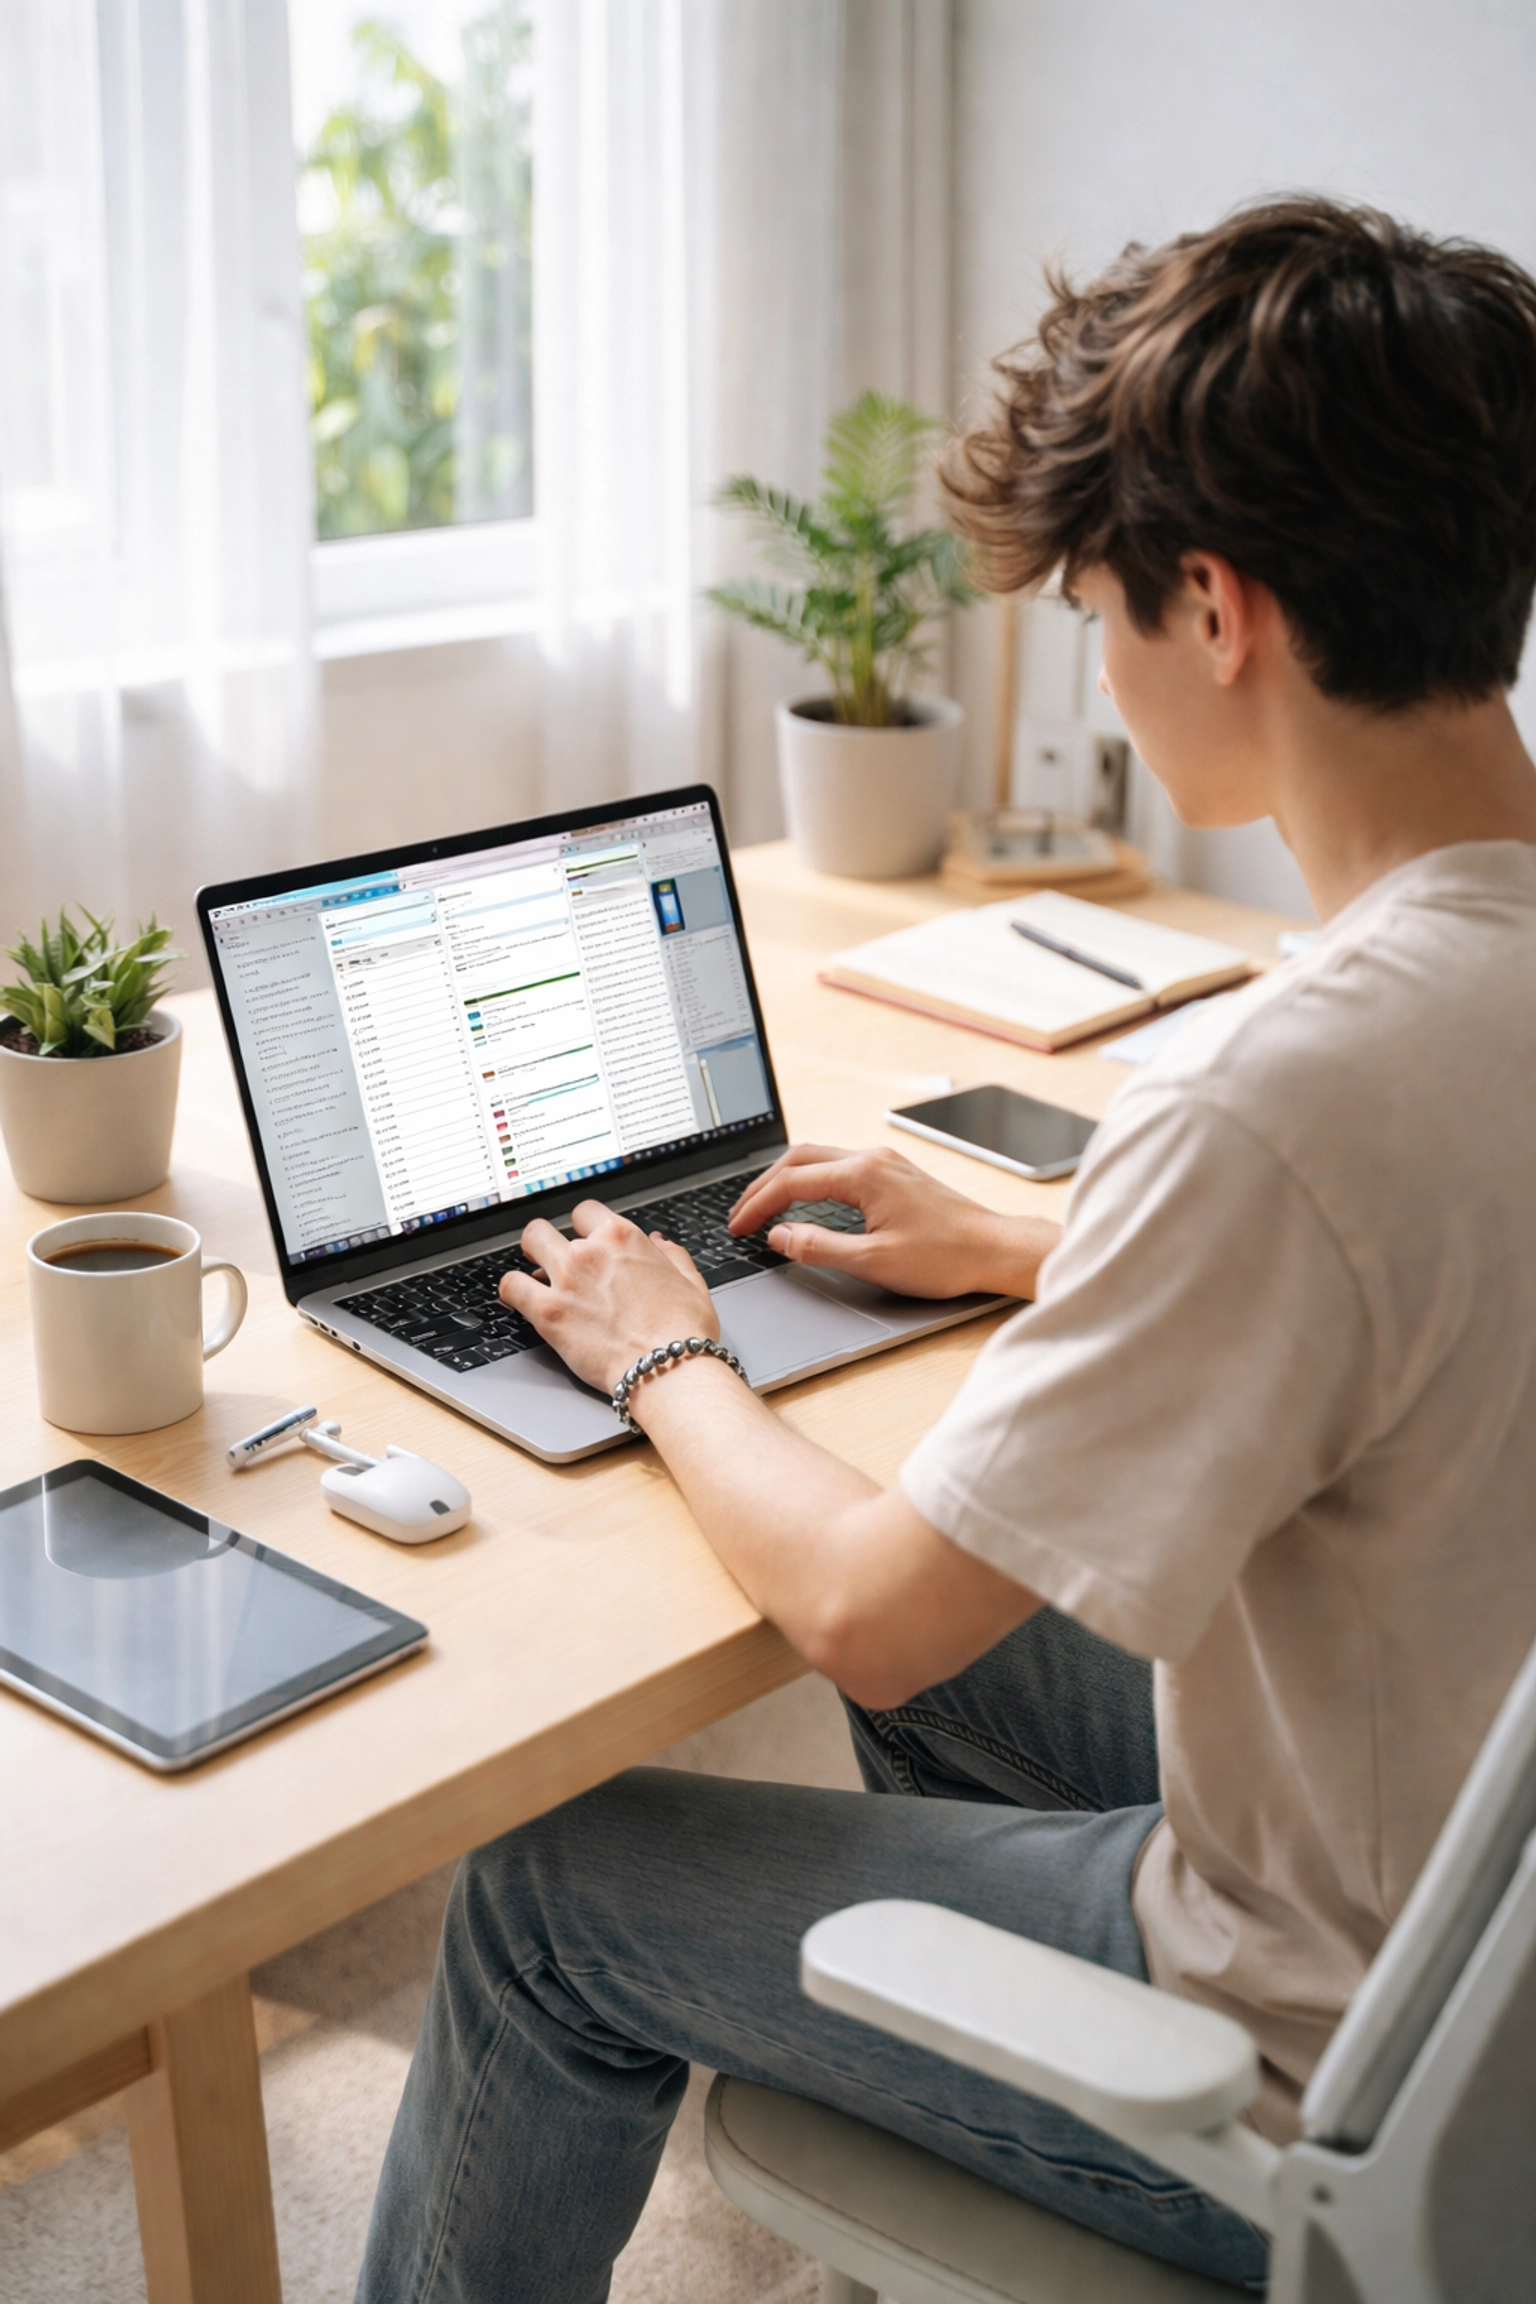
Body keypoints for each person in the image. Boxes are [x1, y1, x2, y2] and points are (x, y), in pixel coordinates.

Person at [355, 197, 1536, 2302]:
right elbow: (1429, 1254)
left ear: (1213, 604)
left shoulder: (1278, 1091)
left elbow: (870, 1619)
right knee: (1009, 1641)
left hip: (1327, 2068)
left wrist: (662, 1349)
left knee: (543, 1894)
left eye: (1093, 606)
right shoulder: (1427, 1023)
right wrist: (1034, 1232)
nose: (1092, 660)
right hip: (1464, 1922)